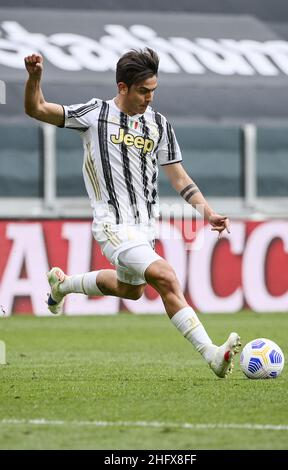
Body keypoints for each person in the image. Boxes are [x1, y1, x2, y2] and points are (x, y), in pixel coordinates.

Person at [24, 48, 241, 378]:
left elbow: (178, 176)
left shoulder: (159, 124)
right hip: (112, 223)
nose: (149, 98)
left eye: (153, 91)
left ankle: (62, 286)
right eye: (143, 91)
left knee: (131, 290)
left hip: (144, 228)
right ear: (123, 87)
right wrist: (35, 79)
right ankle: (211, 353)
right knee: (165, 276)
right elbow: (36, 108)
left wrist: (207, 213)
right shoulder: (95, 114)